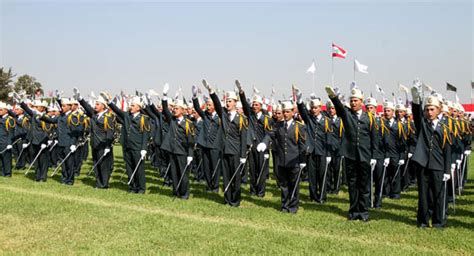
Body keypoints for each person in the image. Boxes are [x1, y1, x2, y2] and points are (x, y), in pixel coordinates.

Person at [325, 86, 377, 221]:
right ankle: (354, 211)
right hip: (351, 155)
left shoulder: (370, 118)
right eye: (352, 100)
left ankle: (363, 211)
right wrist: (333, 97)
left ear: (361, 101)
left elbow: (374, 138)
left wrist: (374, 156)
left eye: (356, 100)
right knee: (353, 184)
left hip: (365, 156)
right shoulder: (346, 114)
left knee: (364, 185)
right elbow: (339, 107)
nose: (353, 103)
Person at [410, 87, 452, 228]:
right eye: (427, 109)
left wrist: (447, 170)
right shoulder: (423, 124)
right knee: (423, 195)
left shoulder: (445, 127)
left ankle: (438, 221)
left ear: (439, 110)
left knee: (438, 195)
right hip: (423, 164)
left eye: (432, 109)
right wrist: (416, 101)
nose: (429, 112)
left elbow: (447, 150)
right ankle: (422, 221)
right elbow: (416, 114)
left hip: (438, 165)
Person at [205, 84, 248, 207]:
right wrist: (212, 91)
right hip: (224, 150)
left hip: (235, 152)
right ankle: (227, 199)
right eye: (226, 101)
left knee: (236, 178)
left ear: (235, 103)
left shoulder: (241, 119)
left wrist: (243, 155)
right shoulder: (223, 115)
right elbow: (217, 104)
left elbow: (243, 138)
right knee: (227, 176)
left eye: (230, 101)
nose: (227, 103)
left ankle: (235, 200)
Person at [260, 101, 306, 213]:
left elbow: (302, 145)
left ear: (293, 112)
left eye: (287, 112)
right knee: (284, 185)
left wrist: (302, 160)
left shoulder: (298, 126)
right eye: (284, 112)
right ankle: (285, 205)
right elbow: (270, 134)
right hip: (282, 161)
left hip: (294, 161)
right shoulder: (278, 125)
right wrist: (264, 142)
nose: (285, 114)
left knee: (293, 185)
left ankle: (293, 206)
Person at [105, 93, 151, 194]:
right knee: (129, 167)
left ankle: (141, 188)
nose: (131, 107)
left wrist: (144, 148)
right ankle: (132, 186)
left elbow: (145, 135)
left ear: (139, 108)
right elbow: (117, 110)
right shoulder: (127, 115)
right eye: (131, 105)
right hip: (127, 146)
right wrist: (109, 102)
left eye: (133, 105)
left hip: (138, 147)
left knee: (139, 169)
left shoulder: (144, 118)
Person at [294, 87, 332, 203]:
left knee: (322, 175)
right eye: (312, 108)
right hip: (310, 151)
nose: (313, 110)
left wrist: (329, 154)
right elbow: (302, 111)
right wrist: (299, 101)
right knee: (312, 176)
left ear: (320, 108)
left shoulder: (326, 120)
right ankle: (313, 195)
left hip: (322, 152)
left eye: (315, 108)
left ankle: (322, 197)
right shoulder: (309, 119)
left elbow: (329, 138)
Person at [236, 80, 273, 197]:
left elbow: (269, 133)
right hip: (251, 146)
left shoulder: (266, 118)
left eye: (256, 105)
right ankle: (252, 190)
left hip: (261, 147)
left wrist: (265, 145)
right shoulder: (250, 115)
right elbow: (244, 103)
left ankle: (260, 191)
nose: (254, 106)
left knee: (261, 171)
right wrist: (241, 92)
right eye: (253, 104)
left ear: (261, 106)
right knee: (252, 170)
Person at [75, 88, 116, 189]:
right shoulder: (94, 115)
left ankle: (104, 183)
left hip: (103, 145)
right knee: (96, 164)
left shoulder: (108, 117)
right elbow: (86, 106)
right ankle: (98, 183)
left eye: (97, 104)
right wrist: (80, 98)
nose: (95, 106)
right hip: (94, 144)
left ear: (103, 106)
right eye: (95, 104)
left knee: (103, 165)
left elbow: (110, 133)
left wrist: (107, 145)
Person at [160, 84, 195, 199]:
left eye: (176, 108)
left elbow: (190, 141)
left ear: (183, 110)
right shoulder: (172, 120)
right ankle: (176, 191)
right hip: (173, 150)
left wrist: (190, 155)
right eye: (173, 108)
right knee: (174, 173)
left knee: (183, 174)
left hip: (183, 152)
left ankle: (184, 193)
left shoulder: (188, 123)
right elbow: (165, 109)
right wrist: (164, 96)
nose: (174, 110)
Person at [192, 80, 223, 192]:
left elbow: (219, 106)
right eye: (207, 105)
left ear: (214, 106)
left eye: (210, 105)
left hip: (215, 146)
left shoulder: (220, 116)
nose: (207, 107)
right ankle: (208, 185)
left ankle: (215, 186)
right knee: (206, 167)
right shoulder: (205, 115)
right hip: (204, 144)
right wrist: (195, 97)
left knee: (215, 167)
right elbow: (197, 108)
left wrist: (211, 91)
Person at [0, 102, 15, 177]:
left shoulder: (9, 119)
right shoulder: (1, 118)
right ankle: (2, 172)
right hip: (0, 140)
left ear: (6, 110)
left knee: (6, 159)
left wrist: (9, 143)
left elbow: (11, 133)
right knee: (1, 159)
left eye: (0, 110)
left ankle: (8, 173)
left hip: (5, 141)